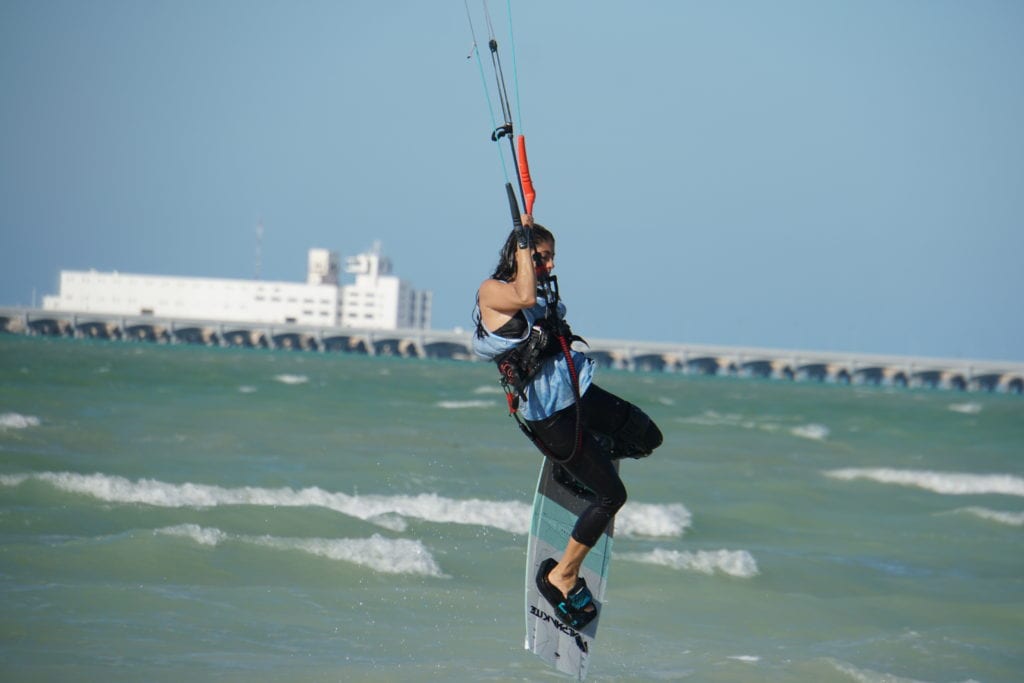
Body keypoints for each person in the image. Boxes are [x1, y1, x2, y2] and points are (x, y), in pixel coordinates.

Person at [472, 216, 663, 629]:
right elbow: (521, 296)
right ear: (519, 256)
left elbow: (534, 294)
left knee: (646, 436)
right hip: (551, 415)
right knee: (612, 497)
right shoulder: (494, 292)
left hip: (579, 392)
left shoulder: (538, 290)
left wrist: (532, 242)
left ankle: (573, 465)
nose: (551, 266)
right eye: (543, 258)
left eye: (552, 257)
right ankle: (562, 574)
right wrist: (526, 251)